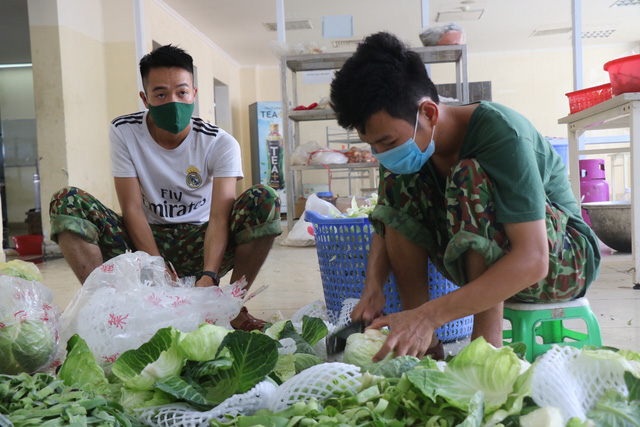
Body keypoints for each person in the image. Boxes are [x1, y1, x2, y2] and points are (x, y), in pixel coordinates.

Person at [329, 32, 600, 361]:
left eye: (387, 142)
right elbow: (389, 218)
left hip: (562, 261)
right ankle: (424, 349)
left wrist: (430, 315)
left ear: (428, 113)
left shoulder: (500, 133)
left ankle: (484, 350)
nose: (381, 154)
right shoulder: (409, 151)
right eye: (373, 146)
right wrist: (373, 288)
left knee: (468, 174)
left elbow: (534, 259)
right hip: (510, 260)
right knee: (400, 183)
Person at [49, 45, 282, 331]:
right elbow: (132, 208)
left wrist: (209, 274)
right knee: (68, 201)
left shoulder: (219, 143)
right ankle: (109, 310)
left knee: (264, 199)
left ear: (194, 94)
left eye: (182, 92)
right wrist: (157, 268)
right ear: (145, 99)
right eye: (160, 94)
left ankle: (230, 306)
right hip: (144, 242)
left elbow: (220, 217)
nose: (173, 102)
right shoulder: (124, 131)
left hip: (202, 239)